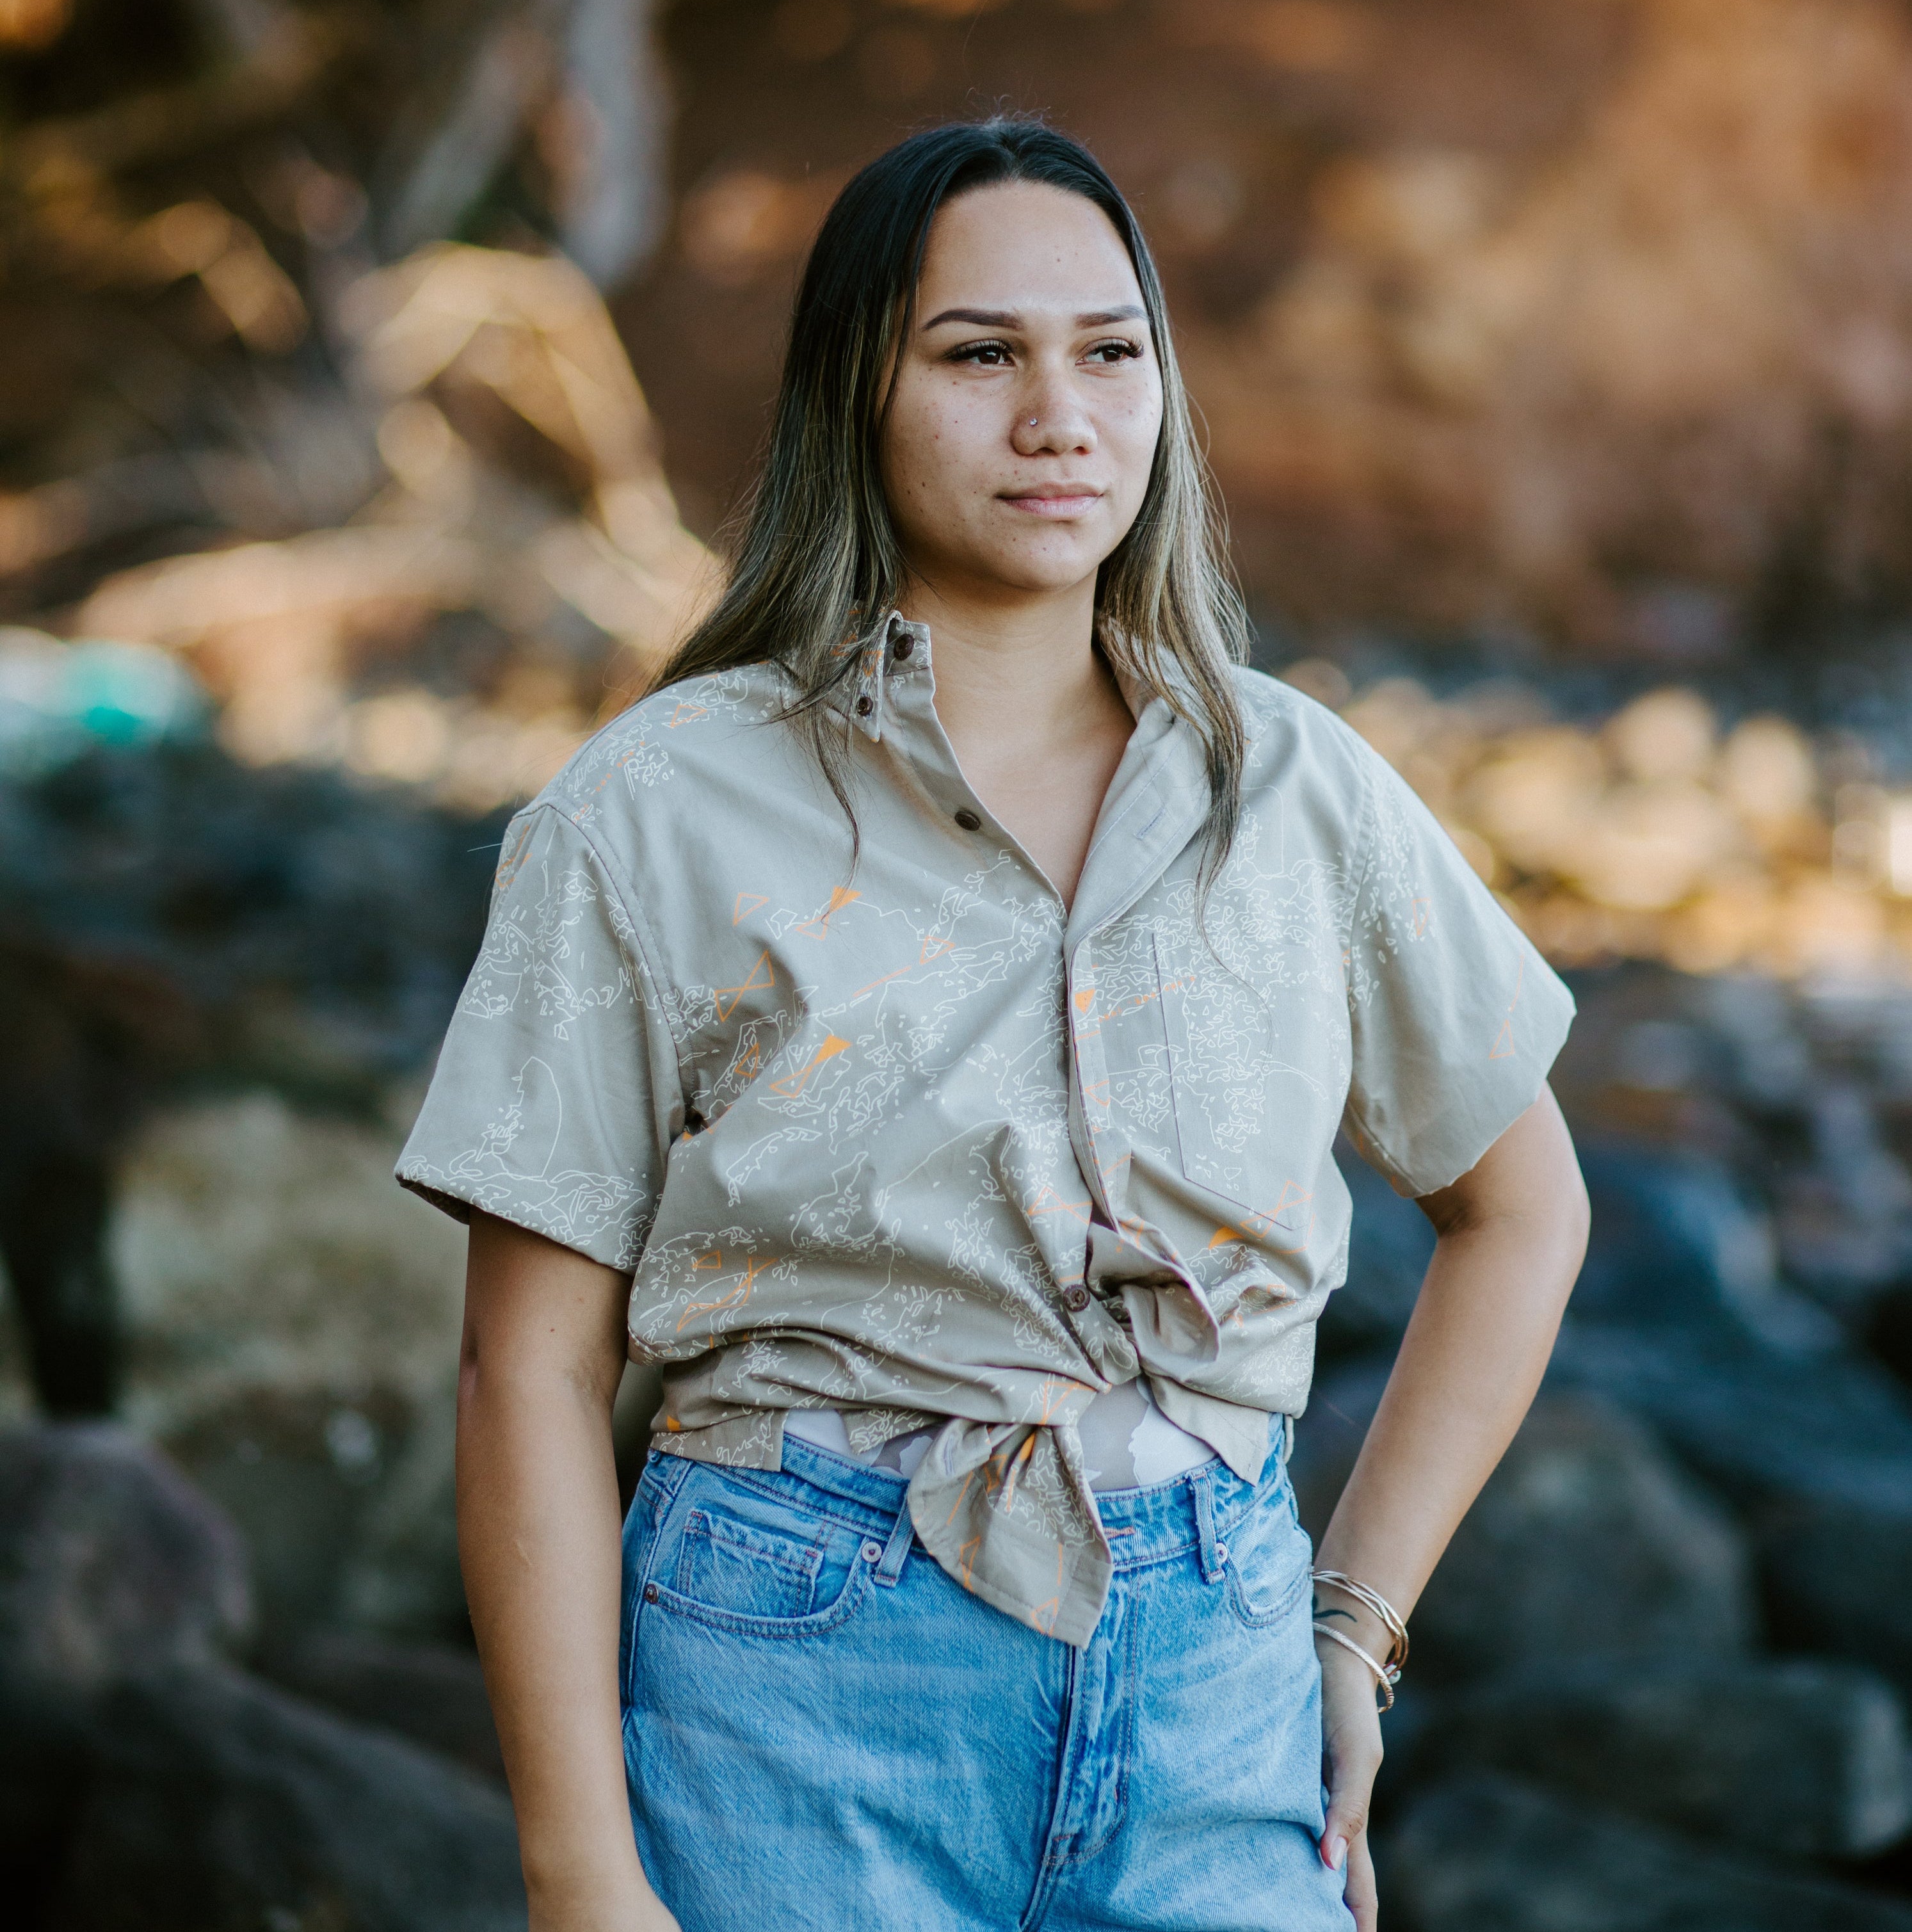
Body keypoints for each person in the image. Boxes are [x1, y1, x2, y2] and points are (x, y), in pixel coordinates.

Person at [395, 118, 1590, 1932]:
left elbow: (1522, 1207)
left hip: (1219, 1690)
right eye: (979, 356)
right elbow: (529, 1372)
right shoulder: (654, 808)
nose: (1060, 417)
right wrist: (581, 1872)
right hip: (797, 1690)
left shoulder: (1298, 792)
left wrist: (1354, 1622)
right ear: (854, 393)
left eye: (1110, 352)